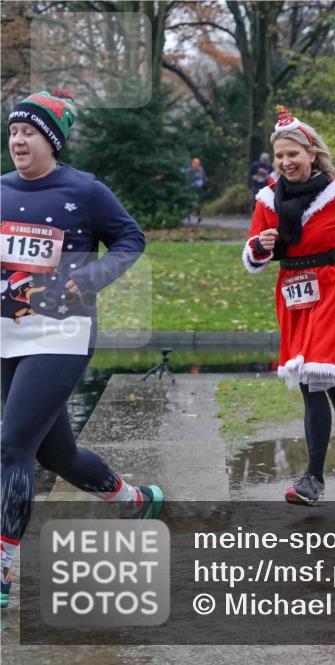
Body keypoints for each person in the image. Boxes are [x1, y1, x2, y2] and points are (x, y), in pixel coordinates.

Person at [1, 90, 163, 610]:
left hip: (61, 335)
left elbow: (129, 239)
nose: (17, 140)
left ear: (51, 139)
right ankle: (133, 501)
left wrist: (91, 277)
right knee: (57, 452)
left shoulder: (85, 191)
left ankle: (2, 568)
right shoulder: (0, 191)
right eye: (13, 131)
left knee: (12, 444)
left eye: (28, 131)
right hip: (8, 332)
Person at [243, 105, 335, 506]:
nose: (286, 162)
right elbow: (254, 250)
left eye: (294, 154)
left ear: (312, 154)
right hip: (294, 291)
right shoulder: (267, 200)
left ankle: (313, 479)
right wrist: (259, 246)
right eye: (280, 156)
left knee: (314, 379)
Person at [185, 157, 207, 224]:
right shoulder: (189, 170)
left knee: (198, 204)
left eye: (197, 164)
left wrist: (204, 183)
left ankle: (199, 217)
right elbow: (187, 178)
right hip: (190, 189)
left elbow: (204, 178)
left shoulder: (201, 170)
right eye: (194, 163)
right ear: (192, 163)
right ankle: (188, 218)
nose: (196, 165)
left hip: (198, 190)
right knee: (189, 204)